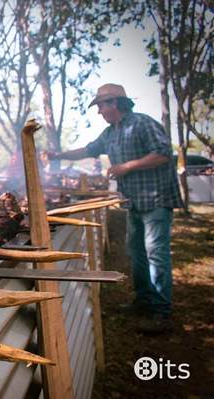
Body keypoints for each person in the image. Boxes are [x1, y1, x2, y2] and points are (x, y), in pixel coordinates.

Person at [48, 83, 183, 334]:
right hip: (134, 202)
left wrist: (127, 166)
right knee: (136, 253)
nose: (99, 111)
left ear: (115, 103)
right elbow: (88, 150)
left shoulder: (143, 123)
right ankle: (144, 301)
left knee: (156, 254)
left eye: (101, 105)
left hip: (156, 201)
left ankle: (162, 314)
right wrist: (57, 155)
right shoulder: (109, 134)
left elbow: (164, 154)